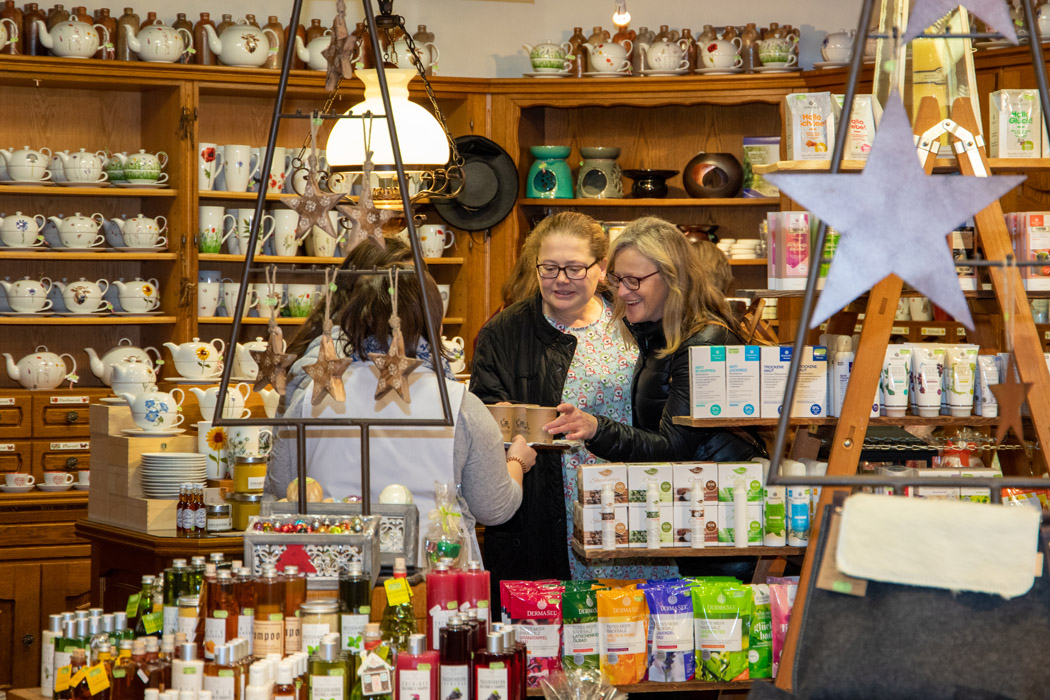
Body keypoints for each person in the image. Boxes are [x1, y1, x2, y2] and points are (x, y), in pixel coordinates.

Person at [268, 240, 535, 565]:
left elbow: (282, 487)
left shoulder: (311, 395)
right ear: (433, 321)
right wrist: (517, 462)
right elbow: (494, 507)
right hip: (433, 571)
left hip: (335, 565)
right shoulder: (460, 404)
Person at [470, 212, 677, 591]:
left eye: (575, 268)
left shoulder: (635, 321)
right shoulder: (504, 332)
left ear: (602, 269)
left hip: (634, 503)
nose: (561, 279)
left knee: (632, 615)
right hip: (545, 513)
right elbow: (485, 428)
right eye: (549, 268)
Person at [544, 216, 765, 463]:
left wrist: (597, 429)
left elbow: (675, 448)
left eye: (634, 280)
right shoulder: (656, 335)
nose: (622, 292)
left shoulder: (705, 343)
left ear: (672, 278)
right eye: (618, 279)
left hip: (724, 484)